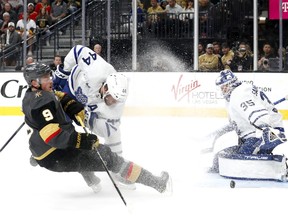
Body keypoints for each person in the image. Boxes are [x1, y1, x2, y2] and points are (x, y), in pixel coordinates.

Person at [22, 62, 172, 194]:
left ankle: (91, 181)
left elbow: (57, 96)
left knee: (82, 153)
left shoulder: (35, 95)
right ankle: (157, 184)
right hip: (55, 155)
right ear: (35, 82)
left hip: (42, 150)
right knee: (109, 158)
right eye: (46, 78)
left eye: (49, 76)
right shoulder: (41, 104)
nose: (50, 80)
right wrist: (83, 140)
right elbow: (54, 137)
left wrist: (70, 104)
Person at [52, 45, 134, 189]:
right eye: (112, 98)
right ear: (106, 87)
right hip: (70, 88)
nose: (113, 103)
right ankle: (87, 175)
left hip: (85, 107)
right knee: (63, 132)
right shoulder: (98, 70)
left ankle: (117, 170)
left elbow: (107, 130)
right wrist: (64, 71)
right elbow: (78, 50)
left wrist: (88, 120)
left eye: (116, 101)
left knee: (114, 134)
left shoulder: (117, 104)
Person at [210, 69, 287, 181]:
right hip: (259, 132)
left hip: (258, 135)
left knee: (239, 161)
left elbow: (257, 114)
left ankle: (266, 155)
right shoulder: (242, 90)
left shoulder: (238, 94)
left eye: (224, 86)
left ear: (231, 84)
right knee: (218, 160)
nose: (223, 90)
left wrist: (267, 131)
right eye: (221, 88)